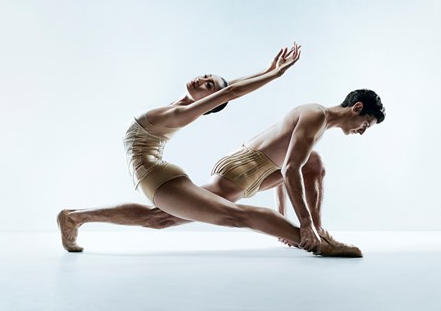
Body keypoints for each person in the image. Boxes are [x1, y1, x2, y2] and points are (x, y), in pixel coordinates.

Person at [59, 87, 384, 256]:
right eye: (366, 124)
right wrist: (303, 226)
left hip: (256, 171)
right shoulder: (314, 115)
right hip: (242, 170)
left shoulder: (319, 123)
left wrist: (293, 217)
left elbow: (293, 170)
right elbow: (289, 168)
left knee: (315, 163)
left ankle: (317, 233)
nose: (363, 130)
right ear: (357, 109)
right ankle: (74, 217)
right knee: (160, 219)